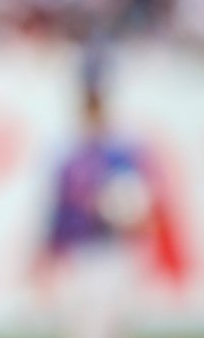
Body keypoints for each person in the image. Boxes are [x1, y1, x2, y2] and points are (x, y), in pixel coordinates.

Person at [35, 45, 157, 338]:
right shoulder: (68, 154)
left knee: (113, 328)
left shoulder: (122, 152)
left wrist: (131, 218)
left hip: (115, 252)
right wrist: (47, 255)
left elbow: (140, 208)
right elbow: (58, 212)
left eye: (97, 102)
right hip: (80, 255)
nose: (93, 109)